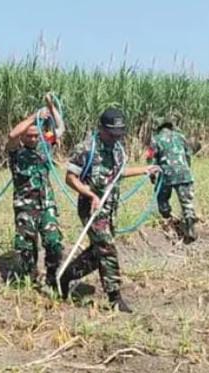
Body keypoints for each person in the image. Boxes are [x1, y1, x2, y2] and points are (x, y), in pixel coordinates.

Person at [58, 108, 160, 313]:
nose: (116, 137)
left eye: (119, 134)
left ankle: (68, 275)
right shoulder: (86, 148)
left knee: (99, 253)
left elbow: (117, 174)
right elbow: (70, 178)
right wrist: (91, 195)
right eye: (112, 134)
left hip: (110, 207)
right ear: (101, 129)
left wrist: (145, 170)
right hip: (92, 208)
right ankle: (115, 297)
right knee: (107, 247)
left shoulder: (117, 148)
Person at [4, 94, 65, 289]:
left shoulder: (44, 145)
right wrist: (34, 116)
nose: (32, 138)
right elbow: (12, 135)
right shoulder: (16, 151)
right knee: (25, 248)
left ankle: (52, 277)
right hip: (25, 206)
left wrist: (50, 107)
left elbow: (60, 128)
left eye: (35, 134)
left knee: (54, 242)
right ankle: (29, 277)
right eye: (28, 135)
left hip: (46, 204)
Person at [145, 115, 200, 243]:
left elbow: (151, 159)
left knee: (162, 198)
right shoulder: (181, 137)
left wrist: (152, 176)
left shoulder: (156, 139)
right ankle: (190, 223)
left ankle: (167, 219)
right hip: (184, 173)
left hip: (166, 174)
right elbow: (188, 155)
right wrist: (186, 168)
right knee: (186, 202)